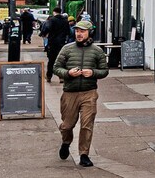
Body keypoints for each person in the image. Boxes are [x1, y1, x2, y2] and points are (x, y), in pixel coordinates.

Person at [52, 18, 108, 168]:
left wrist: (94, 72)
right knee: (67, 125)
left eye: (82, 31)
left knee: (86, 125)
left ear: (90, 33)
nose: (79, 34)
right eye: (77, 30)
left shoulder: (97, 51)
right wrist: (68, 73)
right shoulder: (67, 49)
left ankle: (84, 154)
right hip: (70, 93)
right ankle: (66, 142)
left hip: (89, 92)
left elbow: (104, 71)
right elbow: (56, 68)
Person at [43, 9, 70, 82]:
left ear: (54, 12)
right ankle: (61, 77)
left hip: (53, 42)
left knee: (51, 60)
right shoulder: (65, 21)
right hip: (62, 43)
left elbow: (47, 28)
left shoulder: (52, 20)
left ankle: (49, 76)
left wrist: (44, 34)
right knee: (62, 60)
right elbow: (68, 32)